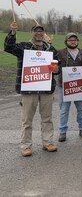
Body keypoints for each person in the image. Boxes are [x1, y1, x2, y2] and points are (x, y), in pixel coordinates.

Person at [4, 22, 58, 157]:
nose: (39, 33)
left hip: (46, 89)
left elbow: (57, 67)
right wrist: (12, 33)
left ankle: (48, 142)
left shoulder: (50, 49)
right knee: (27, 119)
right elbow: (8, 47)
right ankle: (26, 145)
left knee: (47, 118)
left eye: (41, 31)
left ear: (44, 33)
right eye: (36, 31)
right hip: (29, 89)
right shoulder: (24, 47)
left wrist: (56, 69)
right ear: (31, 33)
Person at [57, 33, 82, 142]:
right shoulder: (60, 53)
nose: (73, 41)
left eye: (75, 39)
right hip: (64, 86)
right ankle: (62, 131)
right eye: (70, 40)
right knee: (64, 109)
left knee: (81, 108)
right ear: (66, 41)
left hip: (80, 85)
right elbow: (56, 68)